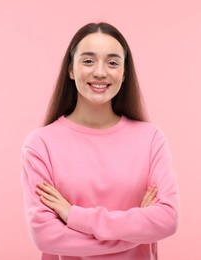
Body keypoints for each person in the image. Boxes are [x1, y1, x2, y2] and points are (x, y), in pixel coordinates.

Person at [20, 22, 179, 260]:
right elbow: (46, 236)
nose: (100, 72)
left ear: (124, 74)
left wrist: (74, 216)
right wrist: (135, 233)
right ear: (71, 70)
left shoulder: (150, 139)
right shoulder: (41, 144)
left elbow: (167, 219)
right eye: (88, 60)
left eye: (113, 62)